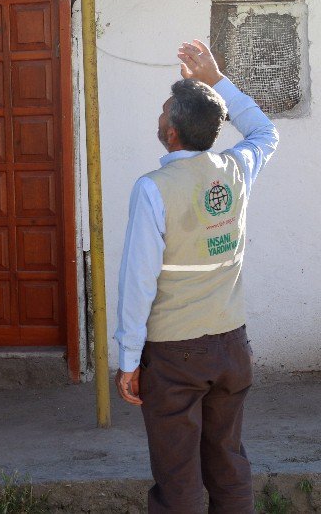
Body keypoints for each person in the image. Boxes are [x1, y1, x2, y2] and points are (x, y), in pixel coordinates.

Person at [114, 39, 278, 513]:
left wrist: (129, 359)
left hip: (174, 356)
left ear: (172, 133)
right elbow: (265, 132)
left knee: (178, 478)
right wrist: (216, 80)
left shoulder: (152, 189)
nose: (160, 115)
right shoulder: (235, 170)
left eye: (164, 110)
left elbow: (139, 282)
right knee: (228, 465)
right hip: (231, 347)